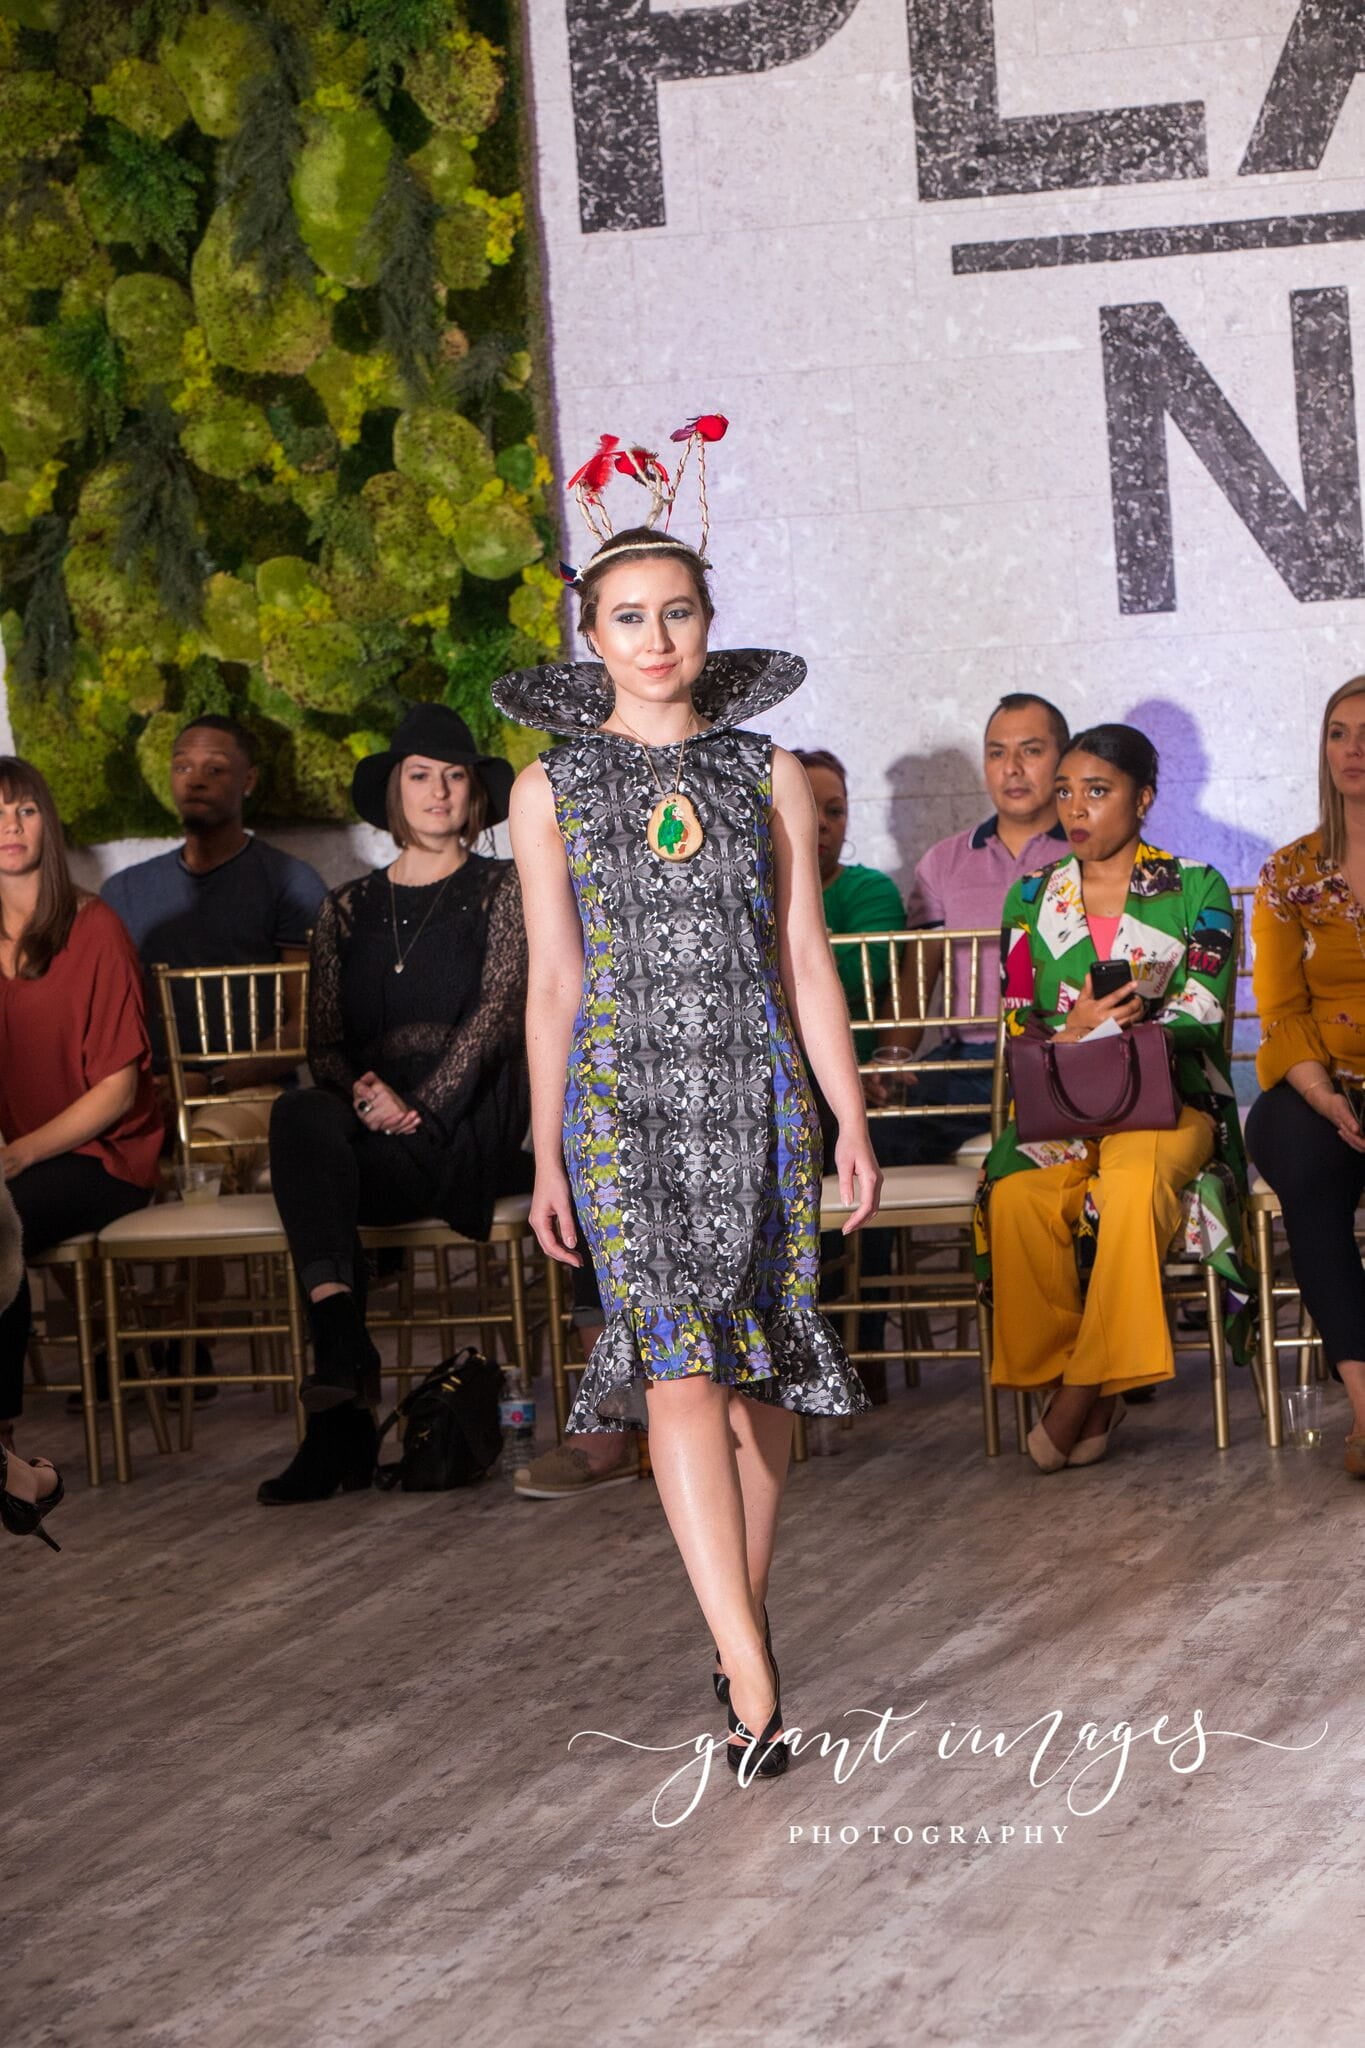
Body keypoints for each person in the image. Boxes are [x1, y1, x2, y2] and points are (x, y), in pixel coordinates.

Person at [496, 502, 881, 1782]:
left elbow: (807, 963)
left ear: (708, 628)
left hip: (757, 1093)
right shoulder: (547, 786)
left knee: (760, 1370)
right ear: (590, 635)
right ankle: (756, 1678)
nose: (654, 637)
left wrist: (848, 1118)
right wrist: (547, 1154)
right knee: (676, 1372)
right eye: (627, 616)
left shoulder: (763, 770)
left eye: (677, 612)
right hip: (621, 1106)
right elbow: (553, 983)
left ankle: (736, 1627)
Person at [256, 706, 532, 1505]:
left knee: (318, 1160)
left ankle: (337, 1417)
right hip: (370, 1141)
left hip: (465, 1133)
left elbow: (496, 1013)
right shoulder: (345, 908)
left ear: (475, 795)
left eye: (455, 776)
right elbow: (326, 1044)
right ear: (394, 794)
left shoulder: (503, 888)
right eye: (420, 775)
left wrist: (421, 1106)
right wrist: (365, 1094)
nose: (439, 791)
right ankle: (343, 1354)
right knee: (301, 1114)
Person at [974, 723, 1246, 1470]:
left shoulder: (1196, 887)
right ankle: (1082, 1380)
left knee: (1128, 1191)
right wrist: (1077, 1027)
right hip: (1064, 1104)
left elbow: (1202, 1009)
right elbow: (1016, 1017)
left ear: (1144, 798)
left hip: (1168, 1105)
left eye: (1097, 791)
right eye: (1065, 791)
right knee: (1018, 1197)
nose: (1075, 808)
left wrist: (1111, 1028)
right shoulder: (1032, 895)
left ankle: (1079, 1393)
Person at [0, 757, 162, 1537]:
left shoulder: (93, 926)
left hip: (103, 1159)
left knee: (0, 1221)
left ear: (49, 825)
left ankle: (4, 1452)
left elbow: (118, 1093)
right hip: (10, 1165)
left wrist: (20, 1153)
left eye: (25, 811)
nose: (9, 827)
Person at [101, 714, 326, 1176]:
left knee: (203, 1156)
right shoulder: (123, 891)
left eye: (215, 768)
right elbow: (104, 1018)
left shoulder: (290, 883)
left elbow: (307, 1025)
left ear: (249, 780)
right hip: (146, 1093)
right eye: (182, 767)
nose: (196, 780)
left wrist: (211, 1079)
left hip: (252, 1089)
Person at [1246, 676, 1365, 1476]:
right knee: (1309, 1164)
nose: (1353, 748)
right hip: (1314, 1078)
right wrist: (1321, 1092)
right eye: (1337, 732)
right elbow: (1279, 1006)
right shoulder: (1289, 872)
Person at [892, 692, 1071, 1163]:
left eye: (1031, 751)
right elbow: (917, 979)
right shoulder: (945, 861)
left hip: (1066, 1055)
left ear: (1063, 761)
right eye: (997, 753)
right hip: (968, 1064)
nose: (1012, 767)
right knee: (876, 1130)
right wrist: (890, 1062)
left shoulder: (1091, 852)